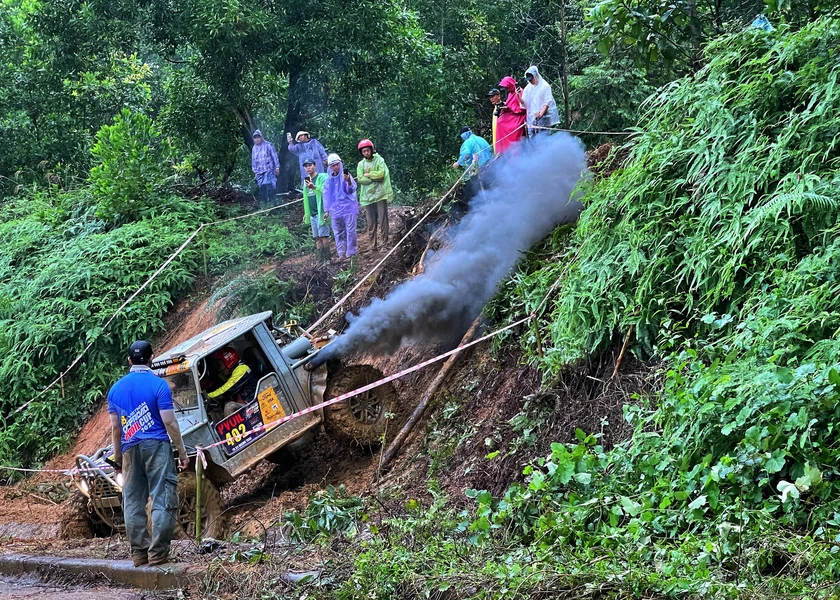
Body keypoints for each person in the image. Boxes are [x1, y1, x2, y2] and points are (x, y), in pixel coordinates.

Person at [108, 340, 188, 568]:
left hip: (129, 448)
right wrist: (182, 452)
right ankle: (158, 553)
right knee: (163, 496)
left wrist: (118, 459)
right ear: (152, 357)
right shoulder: (159, 385)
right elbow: (169, 422)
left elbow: (116, 428)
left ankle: (139, 553)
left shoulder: (115, 390)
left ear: (129, 360)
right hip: (157, 446)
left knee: (133, 501)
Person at [356, 139, 393, 251]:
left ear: (372, 150)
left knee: (383, 220)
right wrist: (373, 177)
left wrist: (369, 174)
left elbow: (381, 175)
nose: (366, 153)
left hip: (380, 194)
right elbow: (361, 179)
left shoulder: (379, 160)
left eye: (367, 150)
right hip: (368, 197)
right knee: (371, 222)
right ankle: (373, 245)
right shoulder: (361, 164)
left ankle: (384, 244)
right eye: (364, 151)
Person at [323, 153, 359, 262]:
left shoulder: (346, 176)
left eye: (337, 164)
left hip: (348, 208)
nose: (335, 167)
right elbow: (326, 195)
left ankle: (351, 253)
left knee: (350, 231)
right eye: (333, 165)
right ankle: (341, 254)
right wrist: (326, 210)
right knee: (338, 232)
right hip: (335, 211)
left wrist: (348, 181)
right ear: (330, 167)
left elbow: (351, 189)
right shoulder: (328, 180)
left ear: (340, 164)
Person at [207, 347, 258, 417]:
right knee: (214, 411)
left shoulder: (241, 369)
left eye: (220, 364)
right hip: (243, 402)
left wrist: (207, 396)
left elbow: (226, 389)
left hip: (252, 402)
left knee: (229, 407)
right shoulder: (233, 372)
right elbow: (222, 381)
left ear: (228, 362)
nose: (220, 368)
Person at [302, 158, 331, 263]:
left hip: (321, 212)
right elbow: (306, 198)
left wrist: (314, 187)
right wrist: (306, 213)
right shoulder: (306, 181)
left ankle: (327, 259)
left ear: (315, 165)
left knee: (324, 236)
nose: (308, 168)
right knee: (317, 237)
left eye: (310, 165)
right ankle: (320, 260)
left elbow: (326, 191)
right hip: (312, 213)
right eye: (306, 166)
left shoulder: (322, 177)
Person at [519, 66, 560, 137]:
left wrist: (541, 114)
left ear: (535, 76)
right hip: (531, 118)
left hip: (544, 117)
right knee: (532, 138)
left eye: (531, 79)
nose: (530, 81)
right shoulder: (527, 89)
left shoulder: (545, 86)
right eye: (528, 80)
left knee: (543, 138)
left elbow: (547, 102)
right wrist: (518, 97)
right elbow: (525, 104)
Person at [496, 77, 527, 153]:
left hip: (519, 115)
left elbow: (523, 108)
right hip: (512, 113)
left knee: (510, 126)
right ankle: (503, 148)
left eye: (507, 88)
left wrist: (510, 108)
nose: (506, 90)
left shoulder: (519, 91)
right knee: (500, 121)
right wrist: (505, 107)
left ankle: (513, 148)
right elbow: (509, 104)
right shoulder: (510, 94)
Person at [251, 130, 279, 204]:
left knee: (269, 184)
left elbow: (274, 156)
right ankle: (264, 204)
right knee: (262, 186)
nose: (257, 139)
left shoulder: (268, 145)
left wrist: (277, 167)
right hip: (259, 171)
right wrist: (255, 171)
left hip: (269, 168)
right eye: (255, 138)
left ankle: (272, 202)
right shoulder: (254, 148)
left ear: (261, 137)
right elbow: (254, 160)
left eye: (258, 137)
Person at [487, 88, 501, 154]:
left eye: (493, 96)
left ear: (498, 96)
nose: (491, 99)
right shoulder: (495, 109)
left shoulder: (503, 106)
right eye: (490, 97)